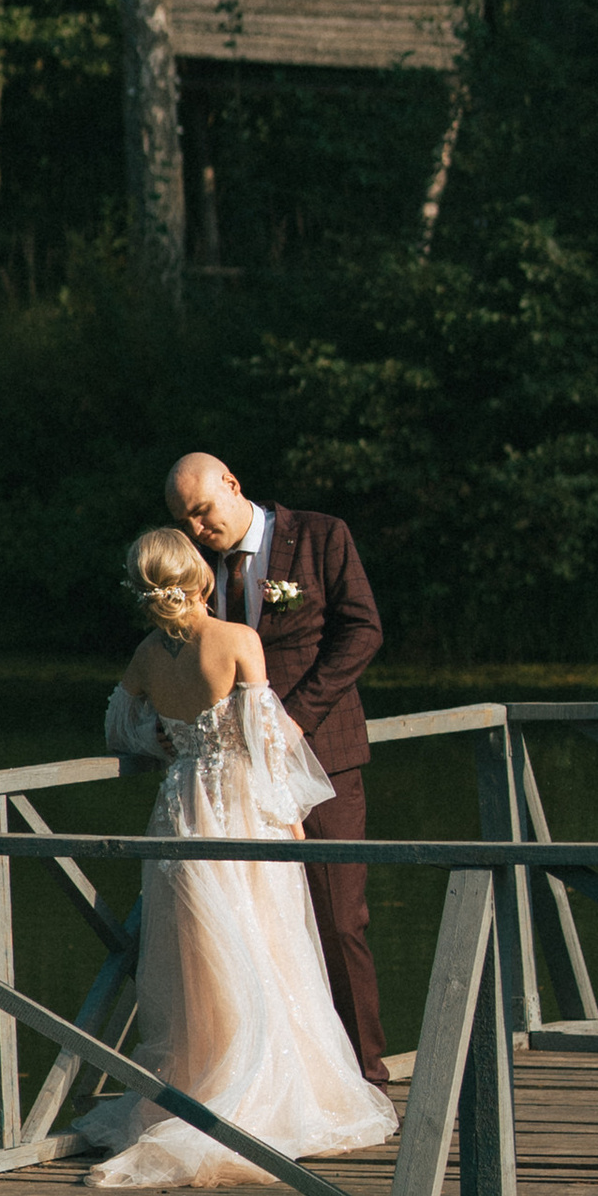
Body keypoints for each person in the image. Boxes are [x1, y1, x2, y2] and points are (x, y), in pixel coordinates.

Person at [74, 526, 399, 1191]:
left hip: (180, 813)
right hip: (242, 809)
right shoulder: (238, 640)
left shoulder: (145, 655)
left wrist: (166, 742)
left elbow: (118, 727)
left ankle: (201, 1087)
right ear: (199, 576)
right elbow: (264, 742)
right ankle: (263, 1093)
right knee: (265, 942)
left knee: (198, 961)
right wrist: (289, 814)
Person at [164, 451, 390, 1088]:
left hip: (322, 758)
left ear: (233, 485)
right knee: (247, 928)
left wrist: (295, 720)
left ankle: (366, 1076)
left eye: (202, 511)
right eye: (184, 521)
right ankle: (283, 1080)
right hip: (234, 779)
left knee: (338, 919)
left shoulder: (320, 535)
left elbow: (363, 631)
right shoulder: (193, 565)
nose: (196, 528)